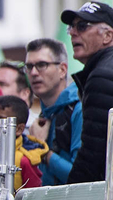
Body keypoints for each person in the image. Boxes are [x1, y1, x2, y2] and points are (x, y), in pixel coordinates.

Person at [63, 1, 113, 184]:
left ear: (107, 35)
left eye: (82, 26)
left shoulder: (101, 76)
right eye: (72, 27)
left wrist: (68, 199)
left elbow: (93, 155)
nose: (73, 32)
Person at [25, 37, 83, 185]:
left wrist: (44, 152)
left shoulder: (79, 109)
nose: (33, 73)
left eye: (42, 65)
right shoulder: (45, 114)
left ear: (62, 70)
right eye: (29, 66)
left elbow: (82, 178)